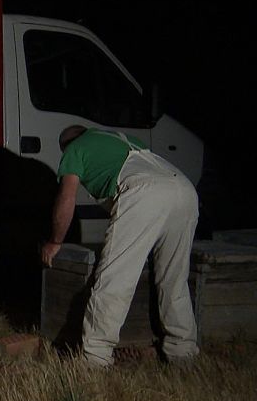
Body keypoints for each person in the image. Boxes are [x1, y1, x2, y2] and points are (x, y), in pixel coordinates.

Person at [41, 125, 199, 367]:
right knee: (174, 279)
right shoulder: (121, 139)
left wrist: (55, 241)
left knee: (115, 278)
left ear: (67, 144)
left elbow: (67, 198)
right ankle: (183, 352)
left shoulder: (75, 148)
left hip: (146, 192)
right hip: (184, 190)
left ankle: (95, 357)